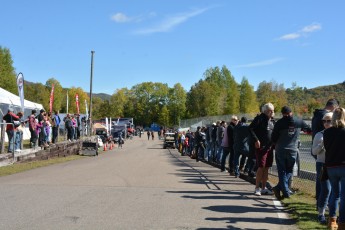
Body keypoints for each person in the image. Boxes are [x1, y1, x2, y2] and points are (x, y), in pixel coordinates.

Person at [271, 106, 311, 200]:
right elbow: (309, 130)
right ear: (291, 112)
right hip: (293, 149)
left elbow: (273, 138)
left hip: (280, 149)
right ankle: (282, 189)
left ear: (282, 113)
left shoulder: (279, 123)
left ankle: (283, 190)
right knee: (289, 170)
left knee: (282, 170)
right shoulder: (299, 121)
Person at [324, 107, 345, 229]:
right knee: (343, 196)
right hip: (343, 166)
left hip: (331, 166)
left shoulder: (327, 132)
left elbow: (327, 148)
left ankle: (332, 220)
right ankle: (342, 222)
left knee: (334, 194)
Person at [249, 103, 275, 196]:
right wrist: (256, 140)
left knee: (267, 167)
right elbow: (250, 129)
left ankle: (264, 188)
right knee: (261, 167)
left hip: (270, 147)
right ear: (265, 111)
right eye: (270, 110)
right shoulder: (259, 118)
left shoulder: (272, 120)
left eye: (273, 110)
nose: (272, 112)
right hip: (261, 147)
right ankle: (257, 188)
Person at [312, 112, 333, 225]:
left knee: (335, 191)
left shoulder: (337, 134)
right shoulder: (319, 135)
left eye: (328, 121)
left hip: (334, 164)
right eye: (324, 121)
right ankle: (321, 214)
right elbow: (314, 151)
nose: (325, 123)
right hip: (321, 163)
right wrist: (321, 145)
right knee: (326, 189)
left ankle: (332, 213)